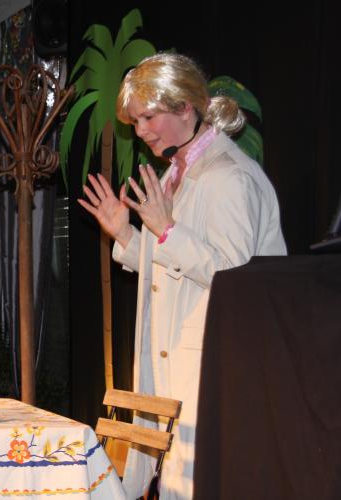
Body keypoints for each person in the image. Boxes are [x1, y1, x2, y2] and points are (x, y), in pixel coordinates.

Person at [78, 53, 286, 499]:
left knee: (208, 481)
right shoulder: (176, 173)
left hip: (218, 367)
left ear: (186, 108)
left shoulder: (229, 177)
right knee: (176, 483)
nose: (141, 131)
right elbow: (176, 269)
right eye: (135, 121)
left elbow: (236, 276)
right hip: (175, 366)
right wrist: (126, 234)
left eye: (148, 117)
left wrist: (166, 230)